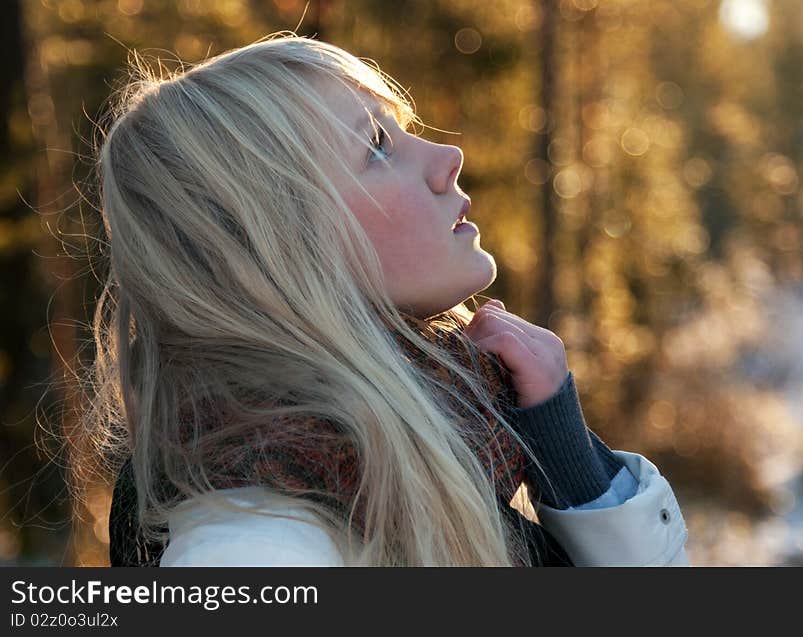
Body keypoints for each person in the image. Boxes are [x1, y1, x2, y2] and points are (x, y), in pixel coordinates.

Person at [84, 32, 688, 566]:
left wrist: (568, 458)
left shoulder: (432, 433)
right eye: (376, 145)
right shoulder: (255, 543)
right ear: (277, 245)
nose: (447, 158)